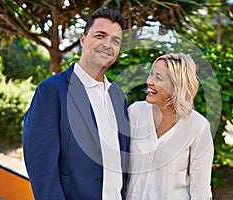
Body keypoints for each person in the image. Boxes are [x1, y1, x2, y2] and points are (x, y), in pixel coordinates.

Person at [23, 8, 130, 200]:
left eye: (116, 41)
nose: (108, 45)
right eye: (100, 35)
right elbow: (41, 168)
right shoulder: (51, 91)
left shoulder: (118, 95)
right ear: (83, 40)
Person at [126, 53, 214, 200]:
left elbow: (200, 189)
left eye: (158, 78)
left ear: (177, 86)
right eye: (151, 74)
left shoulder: (198, 126)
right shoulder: (135, 112)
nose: (149, 81)